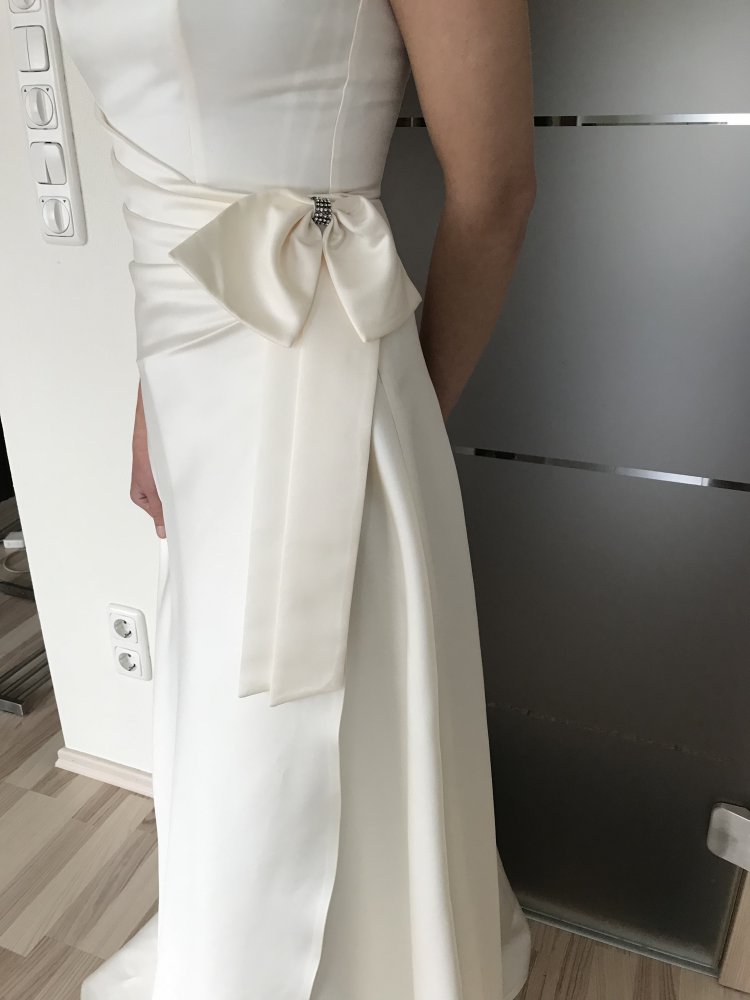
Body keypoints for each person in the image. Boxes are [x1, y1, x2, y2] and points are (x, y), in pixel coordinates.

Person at [56, 0, 537, 997]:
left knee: (293, 728)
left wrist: (394, 419)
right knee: (223, 716)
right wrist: (150, 399)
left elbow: (496, 192)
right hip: (185, 385)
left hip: (328, 378)